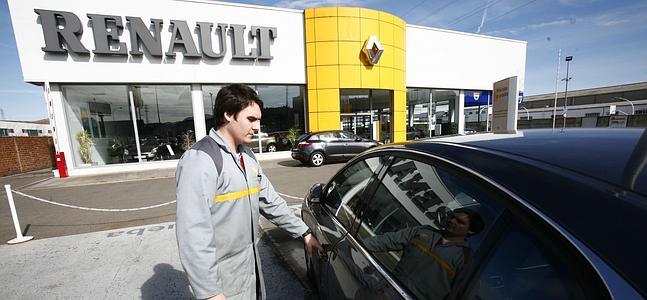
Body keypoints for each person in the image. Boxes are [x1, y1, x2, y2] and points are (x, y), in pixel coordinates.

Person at [175, 84, 323, 300]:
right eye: (251, 119)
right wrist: (209, 293)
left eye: (258, 120)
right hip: (221, 283)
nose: (257, 127)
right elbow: (193, 233)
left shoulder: (247, 156)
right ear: (228, 114)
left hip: (249, 271)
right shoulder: (200, 160)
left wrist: (304, 232)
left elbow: (271, 202)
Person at [362, 207, 484, 299]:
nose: (452, 221)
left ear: (471, 231)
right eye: (452, 217)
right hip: (384, 291)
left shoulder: (466, 260)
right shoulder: (423, 231)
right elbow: (386, 241)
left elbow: (463, 295)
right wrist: (350, 243)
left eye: (460, 222)